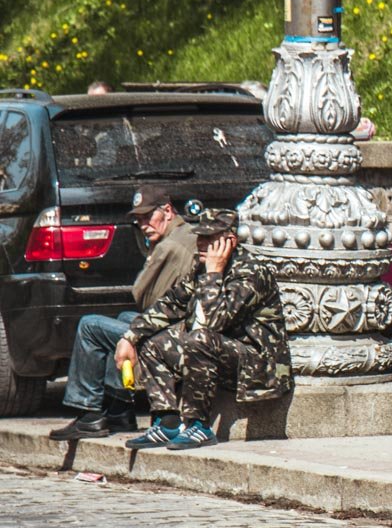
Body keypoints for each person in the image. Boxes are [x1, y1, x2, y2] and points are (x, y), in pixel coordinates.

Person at [115, 209, 293, 450]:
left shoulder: (251, 272)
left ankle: (198, 425)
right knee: (153, 343)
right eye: (200, 236)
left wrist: (214, 273)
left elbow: (216, 321)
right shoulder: (201, 268)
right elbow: (171, 304)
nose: (201, 243)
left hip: (258, 366)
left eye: (209, 238)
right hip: (217, 354)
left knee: (200, 338)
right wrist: (129, 337)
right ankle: (167, 423)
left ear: (230, 241)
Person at [49, 187, 198, 441]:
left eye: (148, 217)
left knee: (90, 327)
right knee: (123, 319)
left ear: (167, 211)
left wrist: (151, 257)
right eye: (139, 219)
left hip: (175, 335)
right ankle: (119, 409)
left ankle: (88, 412)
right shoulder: (186, 233)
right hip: (184, 327)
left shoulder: (169, 247)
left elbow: (144, 297)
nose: (143, 225)